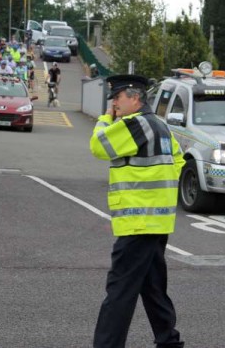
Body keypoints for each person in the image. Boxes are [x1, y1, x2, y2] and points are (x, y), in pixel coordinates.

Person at [90, 75, 185, 348]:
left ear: (134, 98)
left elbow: (98, 146)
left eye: (117, 99)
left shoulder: (135, 125)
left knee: (119, 291)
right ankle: (169, 341)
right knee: (153, 287)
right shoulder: (160, 125)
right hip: (157, 221)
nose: (113, 105)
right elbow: (177, 160)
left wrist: (105, 119)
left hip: (138, 222)